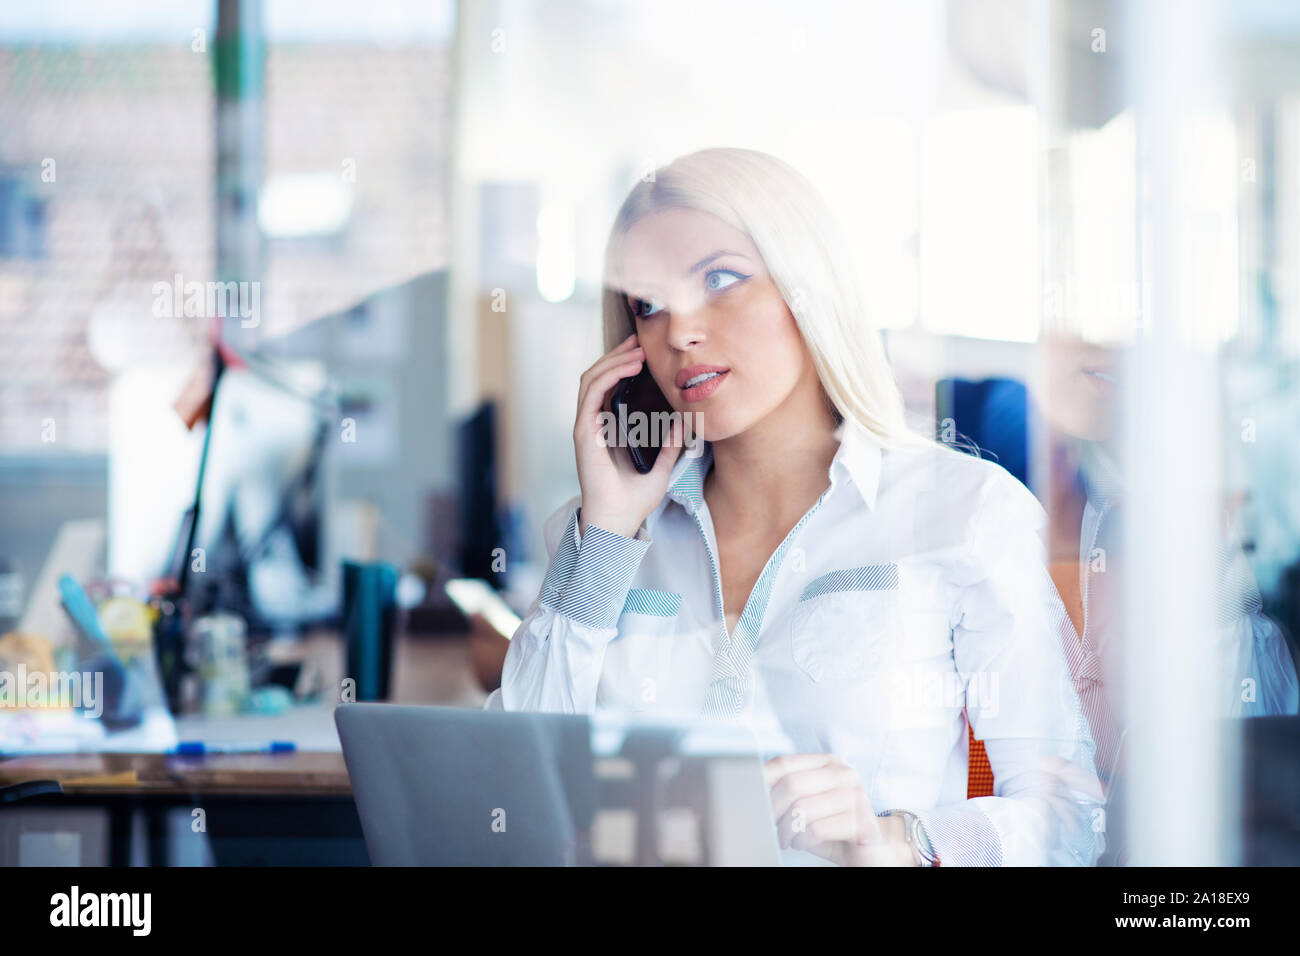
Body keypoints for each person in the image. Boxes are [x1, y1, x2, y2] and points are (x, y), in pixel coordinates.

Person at [485, 147, 1102, 866]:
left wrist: (895, 840)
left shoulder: (964, 511)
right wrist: (609, 534)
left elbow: (1072, 819)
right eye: (647, 303)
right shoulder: (604, 530)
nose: (678, 330)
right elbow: (512, 803)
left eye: (719, 278)